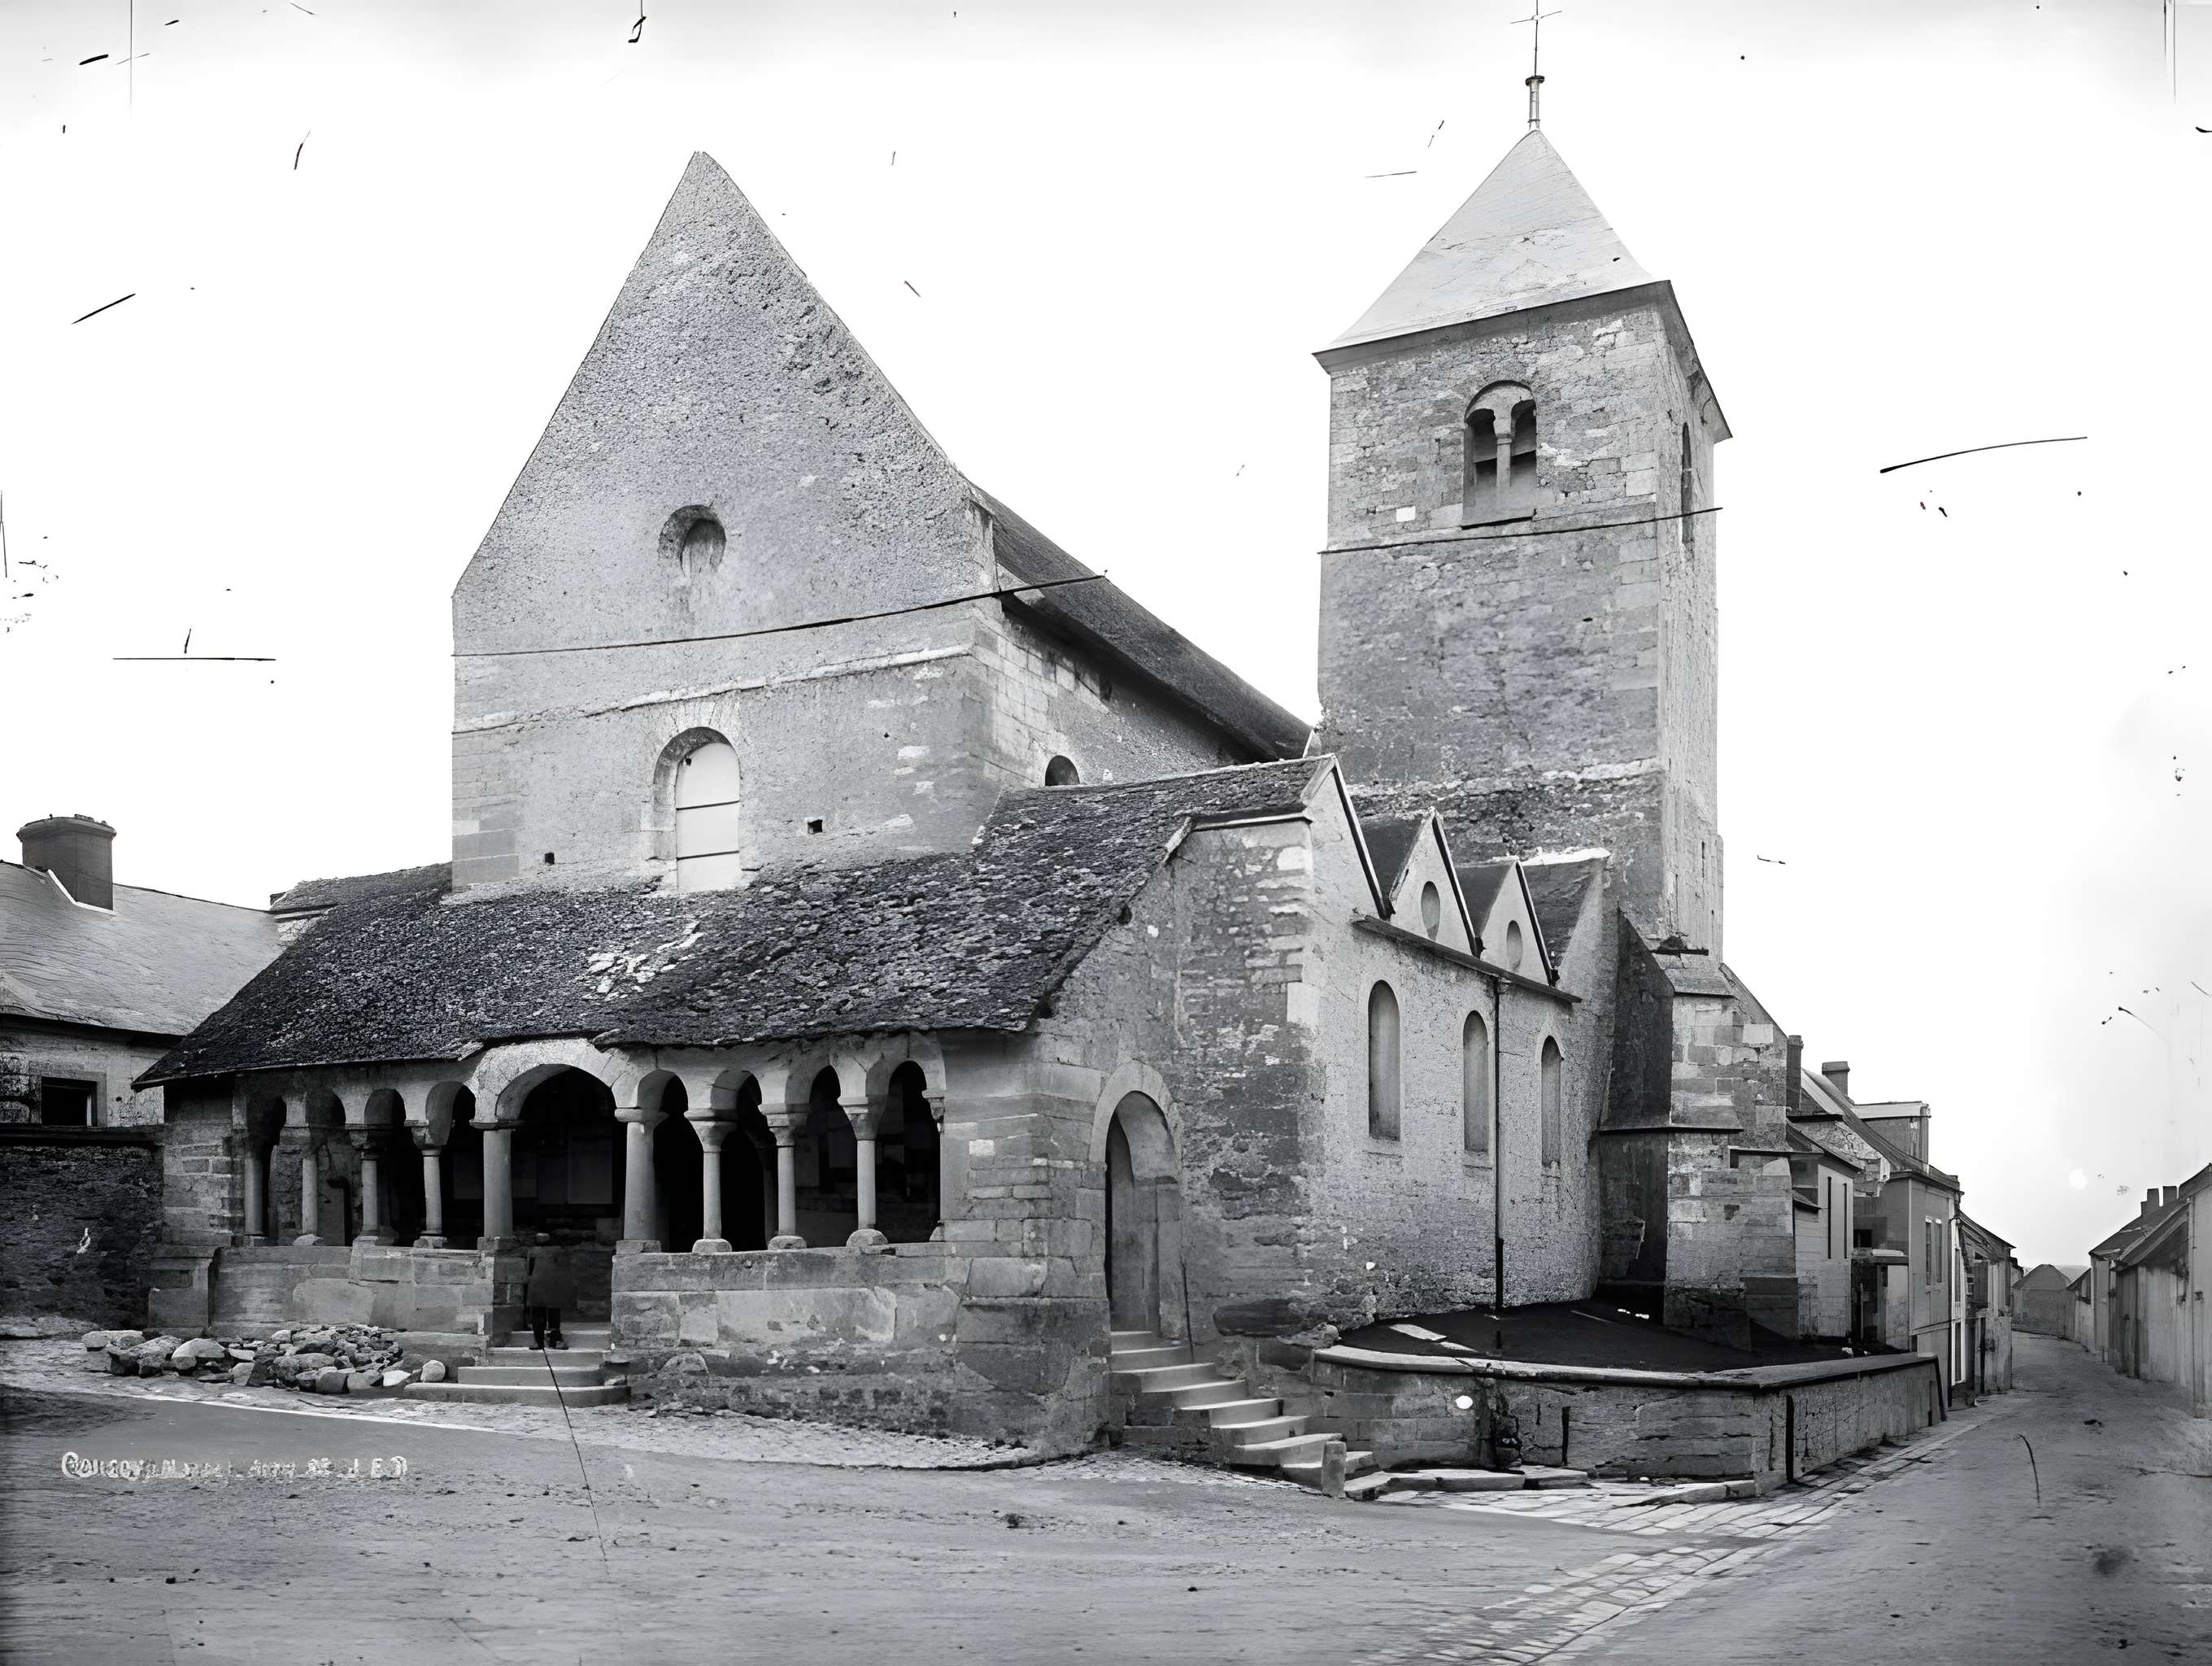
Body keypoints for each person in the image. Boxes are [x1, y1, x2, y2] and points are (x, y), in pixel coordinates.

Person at [524, 1232, 572, 1350]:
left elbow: (563, 1269)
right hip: (538, 1284)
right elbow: (529, 1269)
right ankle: (539, 1340)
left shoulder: (557, 1251)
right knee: (538, 1313)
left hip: (552, 1284)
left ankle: (554, 1339)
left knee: (552, 1313)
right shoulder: (533, 1251)